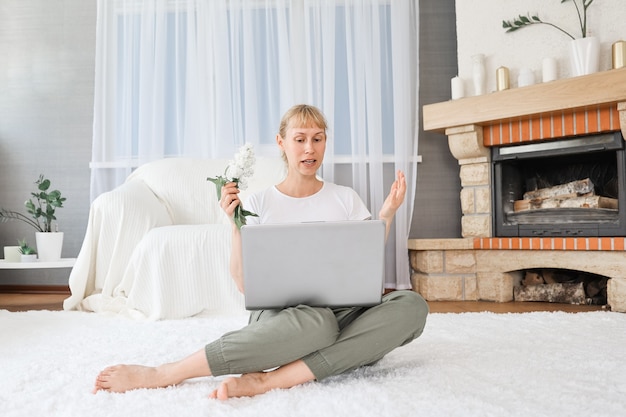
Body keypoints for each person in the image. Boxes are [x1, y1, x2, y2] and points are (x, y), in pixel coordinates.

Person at [93, 104, 429, 400]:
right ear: (282, 143)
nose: (310, 148)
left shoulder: (345, 198)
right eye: (300, 139)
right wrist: (236, 224)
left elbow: (364, 261)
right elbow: (242, 282)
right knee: (317, 324)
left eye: (318, 138)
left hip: (344, 311)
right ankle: (167, 373)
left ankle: (270, 381)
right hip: (283, 316)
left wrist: (385, 215)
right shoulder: (258, 202)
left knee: (411, 305)